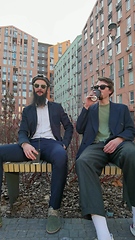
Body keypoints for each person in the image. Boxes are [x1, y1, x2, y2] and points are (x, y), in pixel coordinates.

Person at [0, 74, 73, 234]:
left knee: (61, 156)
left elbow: (69, 127)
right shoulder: (27, 110)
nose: (39, 88)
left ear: (47, 89)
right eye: (36, 86)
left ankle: (54, 209)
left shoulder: (57, 107)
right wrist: (25, 143)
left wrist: (64, 144)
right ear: (33, 88)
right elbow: (22, 131)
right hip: (31, 145)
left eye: (43, 86)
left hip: (51, 144)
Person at [75, 76, 135, 240]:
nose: (98, 89)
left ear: (110, 90)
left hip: (118, 144)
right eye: (96, 87)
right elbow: (79, 128)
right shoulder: (91, 109)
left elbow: (131, 130)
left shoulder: (121, 109)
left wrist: (119, 139)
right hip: (95, 146)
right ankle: (102, 232)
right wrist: (86, 107)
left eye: (102, 87)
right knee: (83, 162)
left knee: (132, 154)